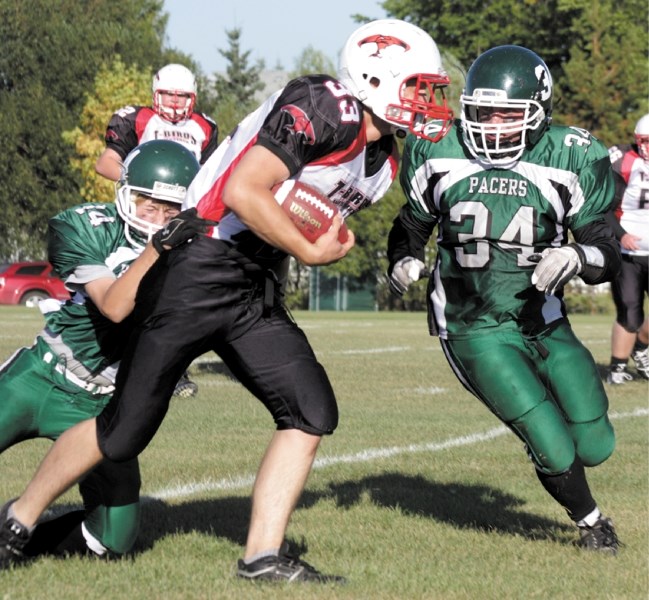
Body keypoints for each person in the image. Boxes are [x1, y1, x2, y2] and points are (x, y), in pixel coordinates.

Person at [0, 19, 454, 581]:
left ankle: (262, 557)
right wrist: (310, 252)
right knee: (124, 430)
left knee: (310, 410)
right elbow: (243, 189)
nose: (427, 101)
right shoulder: (325, 104)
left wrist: (309, 243)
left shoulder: (384, 156)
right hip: (200, 261)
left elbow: (293, 208)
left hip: (252, 282)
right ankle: (17, 520)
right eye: (417, 87)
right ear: (373, 78)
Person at [387, 46, 622, 554]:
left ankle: (585, 490)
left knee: (595, 443)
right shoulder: (439, 149)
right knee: (550, 441)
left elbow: (607, 246)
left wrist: (578, 255)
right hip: (473, 322)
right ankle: (593, 525)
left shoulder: (572, 154)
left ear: (538, 112)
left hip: (543, 317)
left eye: (508, 114)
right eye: (482, 112)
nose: (493, 126)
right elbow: (411, 222)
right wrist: (402, 257)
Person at [0, 140, 203, 561]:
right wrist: (159, 249)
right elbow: (112, 305)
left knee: (114, 538)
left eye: (171, 212)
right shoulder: (85, 225)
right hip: (43, 375)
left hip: (106, 405)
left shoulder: (198, 255)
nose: (159, 221)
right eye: (149, 207)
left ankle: (24, 545)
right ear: (126, 194)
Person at [95, 63, 218, 397]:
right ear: (155, 93)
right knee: (128, 287)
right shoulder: (135, 118)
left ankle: (171, 369)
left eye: (182, 96)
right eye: (168, 95)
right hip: (140, 214)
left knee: (175, 291)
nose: (175, 102)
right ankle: (110, 359)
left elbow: (208, 176)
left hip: (179, 217)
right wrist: (134, 181)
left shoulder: (205, 127)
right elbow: (105, 161)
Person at [605, 114, 649, 384]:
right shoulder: (622, 160)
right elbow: (605, 206)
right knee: (630, 314)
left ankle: (642, 349)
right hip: (629, 253)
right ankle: (617, 369)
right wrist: (621, 235)